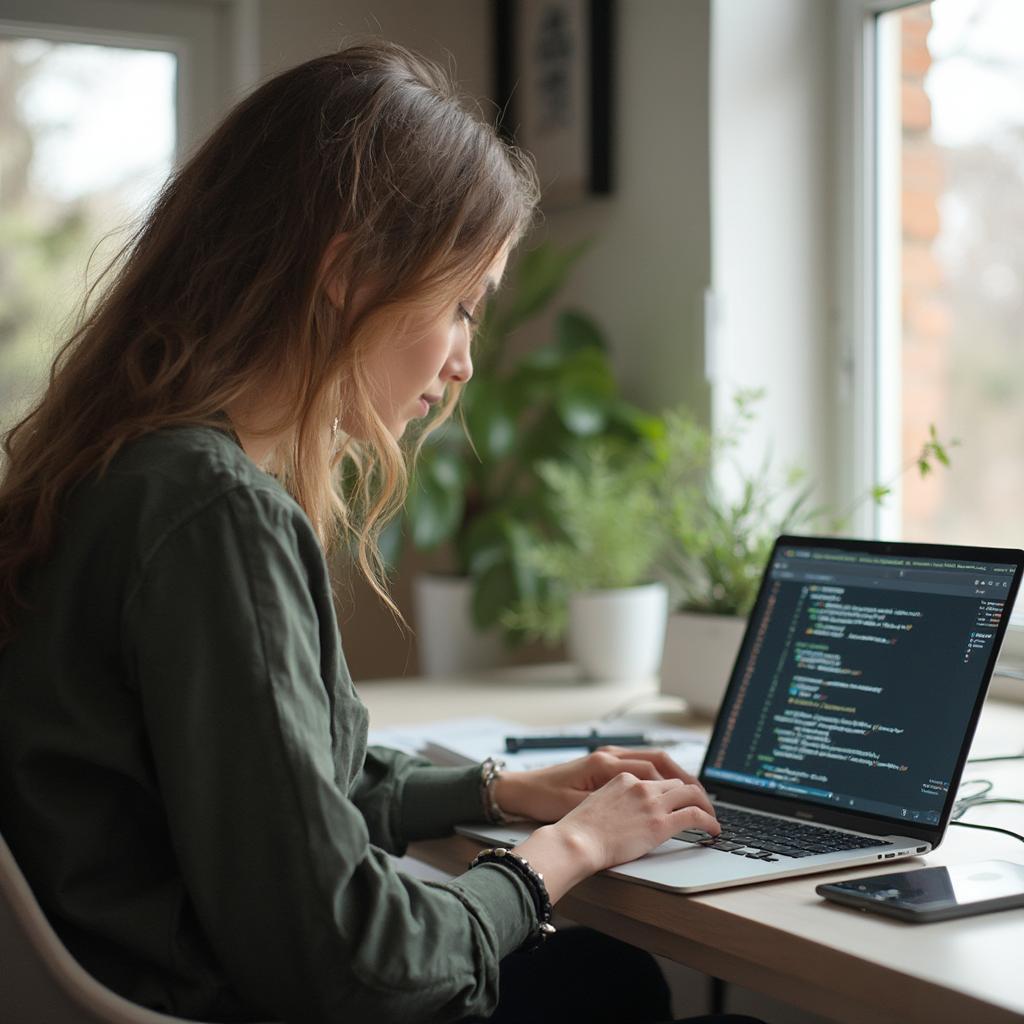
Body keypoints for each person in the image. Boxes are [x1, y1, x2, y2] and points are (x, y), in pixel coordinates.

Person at [0, 41, 756, 1024]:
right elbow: (352, 964)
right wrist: (569, 849)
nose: (463, 364)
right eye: (459, 309)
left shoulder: (116, 471)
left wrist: (505, 789)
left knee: (606, 982)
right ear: (351, 275)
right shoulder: (212, 511)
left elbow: (275, 783)